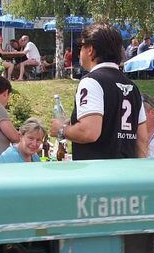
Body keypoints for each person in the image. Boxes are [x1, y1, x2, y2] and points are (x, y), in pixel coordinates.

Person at [50, 22, 148, 160]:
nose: (79, 52)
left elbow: (89, 132)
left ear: (90, 49)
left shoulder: (91, 81)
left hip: (97, 174)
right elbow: (142, 139)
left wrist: (61, 130)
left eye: (81, 46)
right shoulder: (133, 87)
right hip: (128, 173)